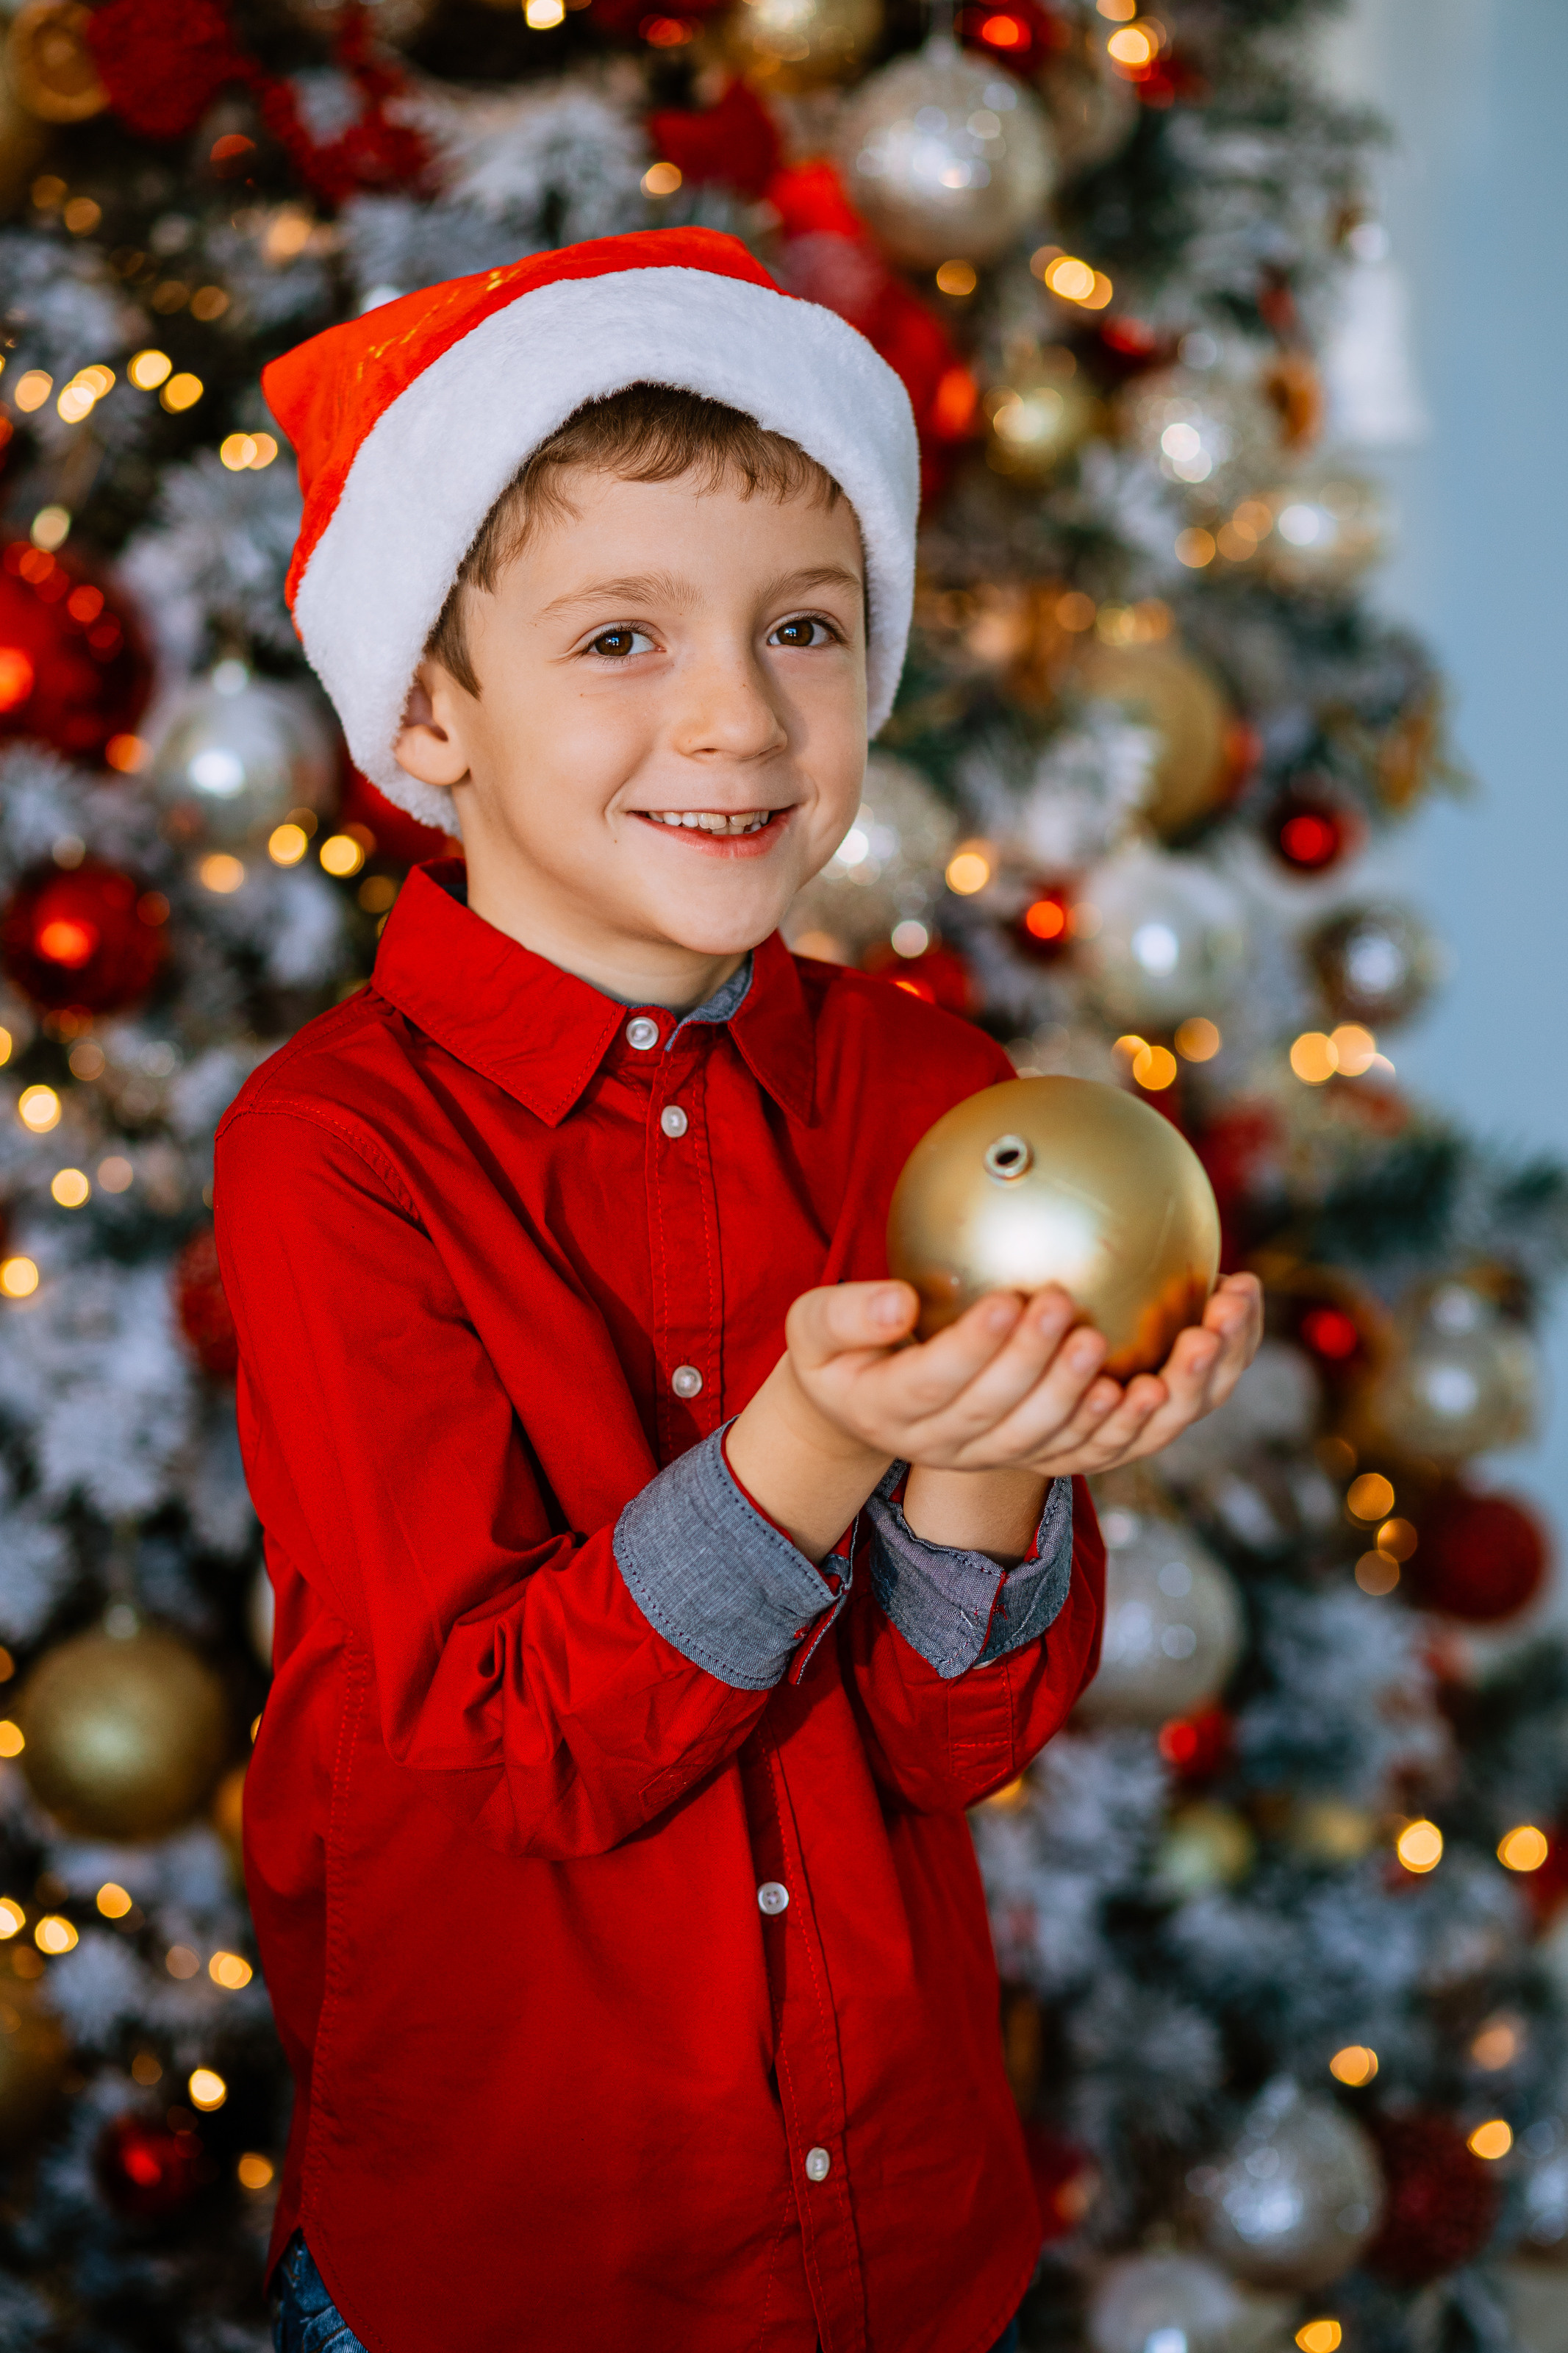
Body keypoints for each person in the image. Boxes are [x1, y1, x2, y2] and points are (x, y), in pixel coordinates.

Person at [217, 227, 1261, 2353]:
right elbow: (512, 1747)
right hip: (514, 2268)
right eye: (621, 634)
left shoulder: (928, 1096)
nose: (738, 716)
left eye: (806, 627)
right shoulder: (334, 1153)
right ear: (431, 705)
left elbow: (947, 1744)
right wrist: (816, 1437)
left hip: (888, 2243)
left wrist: (988, 1465)